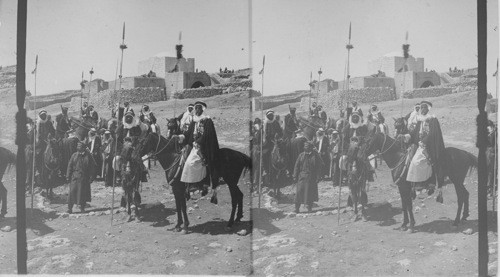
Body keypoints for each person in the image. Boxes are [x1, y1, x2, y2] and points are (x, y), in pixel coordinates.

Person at [404, 100, 445, 193]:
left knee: (416, 162)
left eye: (424, 107)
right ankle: (418, 182)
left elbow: (433, 133)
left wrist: (424, 141)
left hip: (429, 145)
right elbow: (415, 132)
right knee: (409, 158)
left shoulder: (432, 119)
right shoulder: (420, 119)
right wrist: (407, 136)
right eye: (421, 107)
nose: (422, 109)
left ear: (428, 109)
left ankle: (426, 183)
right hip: (420, 145)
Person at [181, 101, 214, 194]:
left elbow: (207, 134)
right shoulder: (194, 120)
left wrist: (198, 142)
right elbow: (188, 133)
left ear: (202, 109)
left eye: (199, 108)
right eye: (196, 108)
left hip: (203, 146)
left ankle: (196, 183)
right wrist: (180, 136)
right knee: (183, 158)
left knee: (190, 163)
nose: (197, 110)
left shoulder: (207, 120)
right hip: (195, 145)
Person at [340, 111, 374, 182]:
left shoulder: (363, 127)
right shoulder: (348, 127)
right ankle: (344, 174)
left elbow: (367, 138)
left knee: (371, 159)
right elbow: (344, 139)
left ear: (359, 118)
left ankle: (370, 174)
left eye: (356, 117)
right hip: (350, 148)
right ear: (351, 118)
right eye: (353, 117)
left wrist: (361, 142)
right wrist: (347, 144)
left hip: (360, 148)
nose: (355, 118)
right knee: (342, 159)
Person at [293, 141, 323, 213]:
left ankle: (309, 208)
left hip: (311, 177)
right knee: (299, 192)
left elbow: (319, 167)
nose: (305, 147)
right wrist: (295, 176)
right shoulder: (301, 155)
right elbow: (296, 166)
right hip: (302, 177)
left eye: (307, 146)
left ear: (311, 148)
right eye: (305, 146)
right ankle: (297, 208)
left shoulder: (315, 156)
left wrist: (318, 176)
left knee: (310, 193)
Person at [66, 142, 95, 213]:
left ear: (84, 148)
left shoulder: (88, 156)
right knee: (72, 192)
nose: (78, 147)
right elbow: (70, 166)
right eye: (78, 146)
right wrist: (68, 176)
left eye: (80, 146)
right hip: (75, 177)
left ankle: (82, 208)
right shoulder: (74, 155)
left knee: (83, 193)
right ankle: (70, 208)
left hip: (84, 177)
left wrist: (92, 177)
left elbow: (92, 167)